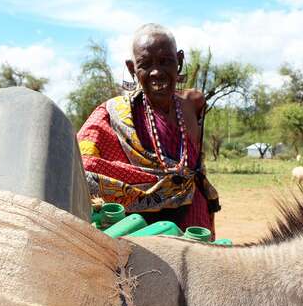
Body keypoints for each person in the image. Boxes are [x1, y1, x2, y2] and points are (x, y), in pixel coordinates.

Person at [77, 23, 220, 236]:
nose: (157, 72)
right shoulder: (112, 113)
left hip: (193, 213)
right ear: (131, 68)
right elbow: (81, 164)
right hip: (139, 226)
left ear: (179, 61)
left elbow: (196, 161)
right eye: (145, 64)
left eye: (165, 62)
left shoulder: (194, 104)